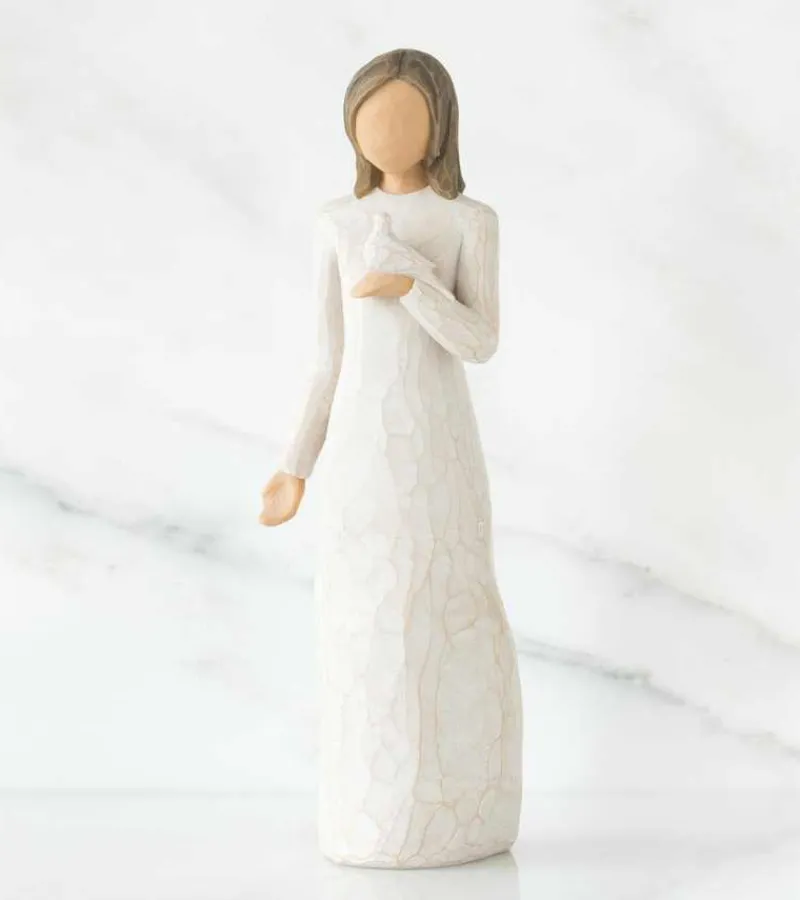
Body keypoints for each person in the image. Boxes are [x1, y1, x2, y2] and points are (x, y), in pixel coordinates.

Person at [260, 47, 523, 869]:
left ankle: (465, 807)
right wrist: (296, 465)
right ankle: (369, 812)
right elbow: (326, 361)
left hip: (440, 444)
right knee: (363, 616)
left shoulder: (468, 221)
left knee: (448, 605)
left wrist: (412, 284)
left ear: (439, 125)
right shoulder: (338, 225)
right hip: (362, 456)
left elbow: (479, 341)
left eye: (405, 117)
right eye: (371, 117)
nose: (385, 132)